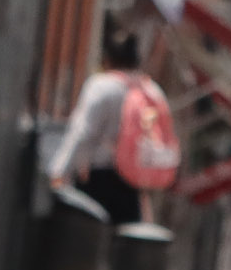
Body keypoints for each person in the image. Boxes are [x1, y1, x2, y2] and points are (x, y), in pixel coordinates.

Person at [45, 32, 154, 225]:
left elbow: (83, 132)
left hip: (99, 177)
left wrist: (59, 171)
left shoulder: (102, 86)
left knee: (88, 238)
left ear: (107, 59)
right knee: (124, 242)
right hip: (133, 182)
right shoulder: (150, 90)